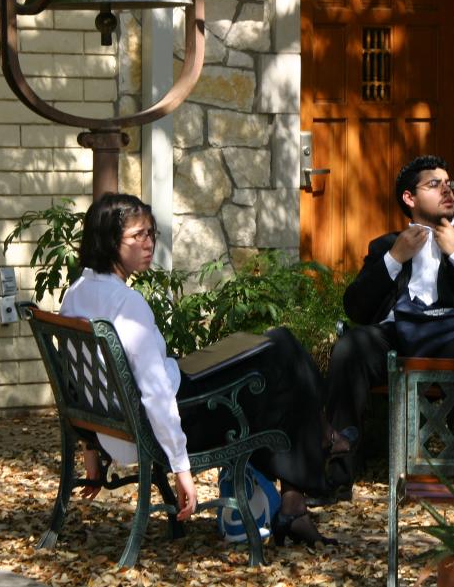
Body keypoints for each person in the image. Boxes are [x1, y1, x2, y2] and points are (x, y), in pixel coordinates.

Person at [61, 192, 338, 547]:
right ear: (109, 241)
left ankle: (308, 466)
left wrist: (91, 449)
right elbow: (156, 394)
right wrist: (182, 469)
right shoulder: (126, 304)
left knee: (277, 349)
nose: (149, 243)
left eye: (151, 233)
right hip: (171, 416)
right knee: (278, 357)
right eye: (138, 235)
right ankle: (318, 448)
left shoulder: (77, 293)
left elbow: (79, 382)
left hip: (122, 420)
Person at [322, 155, 454, 499]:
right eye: (434, 184)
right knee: (350, 348)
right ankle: (336, 476)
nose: (447, 190)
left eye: (449, 184)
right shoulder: (386, 246)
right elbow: (357, 308)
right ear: (409, 198)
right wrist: (394, 258)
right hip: (397, 336)